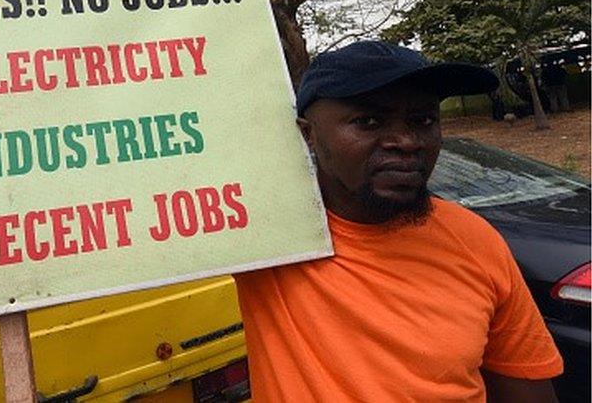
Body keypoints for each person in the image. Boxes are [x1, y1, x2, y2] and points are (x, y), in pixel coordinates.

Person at [234, 41, 562, 402]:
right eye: (369, 121)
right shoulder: (265, 242)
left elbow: (526, 387)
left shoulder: (475, 240)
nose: (406, 142)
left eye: (422, 121)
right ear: (309, 134)